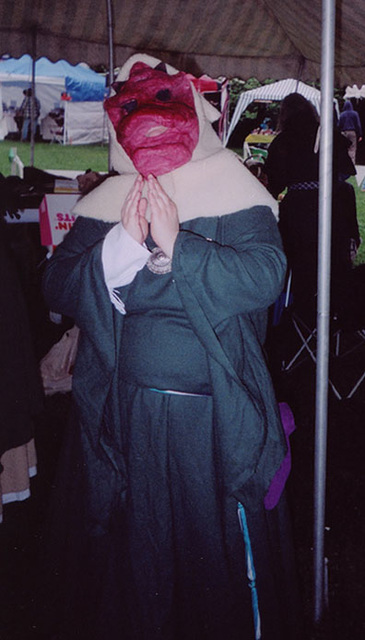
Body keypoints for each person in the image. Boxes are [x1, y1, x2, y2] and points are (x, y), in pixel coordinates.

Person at [41, 54, 301, 640]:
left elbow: (266, 275)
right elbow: (58, 284)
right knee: (136, 551)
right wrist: (122, 248)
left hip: (209, 420)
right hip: (123, 413)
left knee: (211, 558)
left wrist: (179, 246)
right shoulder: (111, 199)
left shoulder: (237, 191)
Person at [265, 92, 365, 326]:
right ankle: (338, 312)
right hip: (334, 208)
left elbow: (276, 181)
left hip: (300, 212)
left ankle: (303, 315)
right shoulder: (328, 134)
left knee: (301, 264)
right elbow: (346, 170)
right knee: (335, 260)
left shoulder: (284, 140)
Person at [338, 99, 363, 165]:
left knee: (344, 148)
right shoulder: (355, 114)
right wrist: (360, 134)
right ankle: (352, 163)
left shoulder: (342, 114)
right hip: (352, 132)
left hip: (344, 132)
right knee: (352, 148)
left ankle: (344, 164)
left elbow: (339, 124)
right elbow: (358, 124)